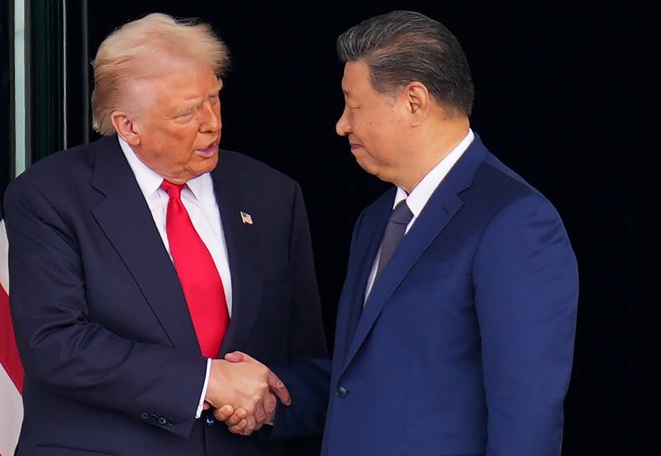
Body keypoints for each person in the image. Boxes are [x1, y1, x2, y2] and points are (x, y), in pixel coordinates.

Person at [219, 9, 578, 455]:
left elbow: (527, 417)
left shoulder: (515, 220)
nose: (341, 124)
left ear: (414, 101)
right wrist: (274, 396)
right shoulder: (375, 220)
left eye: (353, 104)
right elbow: (368, 378)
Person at [2, 12, 327, 455]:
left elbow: (303, 352)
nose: (211, 122)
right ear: (128, 126)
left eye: (214, 98)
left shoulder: (272, 195)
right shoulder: (50, 196)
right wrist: (208, 382)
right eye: (187, 112)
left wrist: (268, 405)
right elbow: (57, 343)